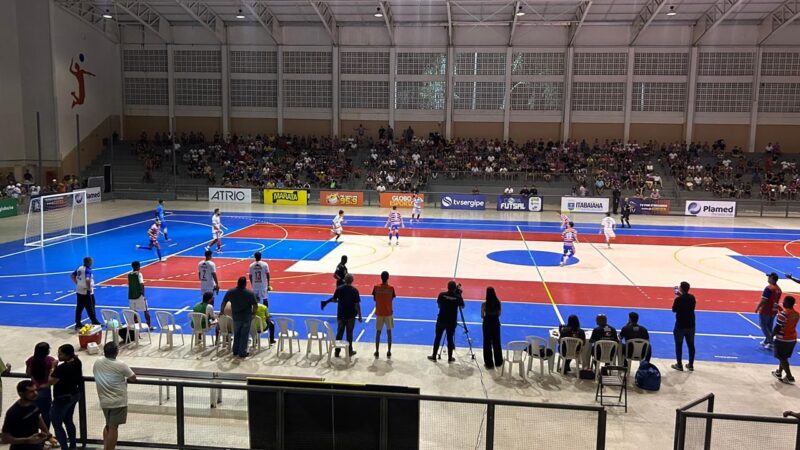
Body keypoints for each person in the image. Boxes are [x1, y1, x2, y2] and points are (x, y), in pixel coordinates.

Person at [93, 342, 136, 450]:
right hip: (118, 401)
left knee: (108, 425)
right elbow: (133, 377)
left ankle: (106, 447)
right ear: (116, 352)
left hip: (104, 401)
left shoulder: (98, 362)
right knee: (113, 427)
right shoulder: (120, 364)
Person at [1, 380, 53, 450]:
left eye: (36, 390)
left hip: (36, 446)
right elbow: (5, 438)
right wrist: (27, 440)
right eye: (31, 392)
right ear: (21, 394)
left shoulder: (34, 404)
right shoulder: (13, 412)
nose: (35, 393)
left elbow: (37, 417)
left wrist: (48, 435)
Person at [49, 344, 82, 450]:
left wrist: (53, 367)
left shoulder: (62, 368)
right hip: (74, 394)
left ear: (68, 355)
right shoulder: (77, 362)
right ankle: (73, 446)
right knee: (68, 420)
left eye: (61, 354)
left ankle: (64, 447)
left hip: (62, 398)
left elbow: (51, 381)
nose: (58, 356)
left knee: (57, 424)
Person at [219, 277, 258, 358]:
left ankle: (235, 350)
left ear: (237, 283)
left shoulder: (230, 292)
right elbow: (255, 305)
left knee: (236, 334)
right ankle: (242, 352)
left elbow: (223, 302)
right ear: (245, 284)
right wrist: (253, 314)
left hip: (236, 317)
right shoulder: (250, 293)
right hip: (246, 317)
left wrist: (222, 311)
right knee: (244, 335)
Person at [427, 281, 465, 363]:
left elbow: (439, 305)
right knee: (450, 339)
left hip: (441, 319)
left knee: (437, 337)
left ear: (447, 287)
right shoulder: (457, 297)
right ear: (455, 288)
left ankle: (434, 356)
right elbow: (462, 306)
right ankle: (450, 358)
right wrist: (459, 295)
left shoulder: (441, 295)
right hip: (451, 321)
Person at [328, 274, 363, 357]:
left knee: (339, 333)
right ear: (352, 280)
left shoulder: (339, 289)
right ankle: (349, 351)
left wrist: (338, 301)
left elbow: (334, 299)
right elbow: (357, 305)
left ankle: (337, 351)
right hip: (350, 316)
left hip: (341, 315)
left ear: (344, 280)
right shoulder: (354, 291)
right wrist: (360, 315)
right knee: (349, 334)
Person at [25, 343, 56, 432]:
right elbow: (52, 376)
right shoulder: (50, 361)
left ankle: (34, 435)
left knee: (33, 413)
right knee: (46, 414)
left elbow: (28, 373)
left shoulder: (31, 360)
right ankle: (45, 435)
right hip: (45, 390)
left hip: (33, 389)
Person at [772, 296, 798, 384]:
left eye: (784, 301)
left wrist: (771, 336)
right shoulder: (796, 314)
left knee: (782, 358)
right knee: (784, 357)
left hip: (783, 339)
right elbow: (787, 318)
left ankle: (789, 376)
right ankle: (779, 372)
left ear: (786, 303)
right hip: (792, 338)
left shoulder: (783, 314)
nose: (782, 302)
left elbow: (778, 327)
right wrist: (780, 310)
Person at [71, 256, 101, 330]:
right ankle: (94, 322)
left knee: (79, 308)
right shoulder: (88, 270)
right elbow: (88, 279)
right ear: (89, 262)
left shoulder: (79, 268)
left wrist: (77, 283)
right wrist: (89, 288)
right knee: (90, 306)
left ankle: (78, 323)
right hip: (86, 291)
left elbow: (72, 276)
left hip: (79, 290)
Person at [672, 281, 696, 371]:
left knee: (679, 345)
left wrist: (679, 297)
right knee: (691, 345)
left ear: (681, 288)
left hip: (680, 325)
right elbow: (691, 307)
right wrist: (680, 296)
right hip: (691, 325)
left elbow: (674, 310)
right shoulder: (692, 297)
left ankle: (679, 364)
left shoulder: (678, 299)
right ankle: (691, 364)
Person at [372, 271, 396, 359]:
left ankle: (377, 351)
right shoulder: (391, 288)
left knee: (378, 332)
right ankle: (389, 351)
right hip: (388, 313)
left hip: (379, 313)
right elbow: (392, 298)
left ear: (381, 277)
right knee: (389, 332)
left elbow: (374, 299)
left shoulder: (376, 288)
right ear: (388, 277)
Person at [756, 272, 782, 349]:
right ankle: (767, 341)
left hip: (766, 309)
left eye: (769, 277)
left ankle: (771, 342)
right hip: (773, 310)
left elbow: (764, 300)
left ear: (772, 279)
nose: (768, 278)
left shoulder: (769, 288)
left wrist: (758, 307)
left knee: (763, 326)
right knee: (769, 326)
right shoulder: (778, 289)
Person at [481, 287, 503, 369]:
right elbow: (499, 313)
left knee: (487, 343)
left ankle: (489, 363)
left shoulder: (484, 304)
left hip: (487, 324)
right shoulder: (498, 303)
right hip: (495, 323)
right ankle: (498, 361)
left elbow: (482, 316)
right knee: (497, 342)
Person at [126, 261, 151, 328]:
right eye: (139, 266)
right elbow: (141, 285)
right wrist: (143, 295)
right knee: (146, 310)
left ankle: (136, 326)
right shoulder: (139, 274)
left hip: (131, 296)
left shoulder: (129, 275)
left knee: (134, 312)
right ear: (137, 266)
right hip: (139, 296)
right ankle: (149, 325)